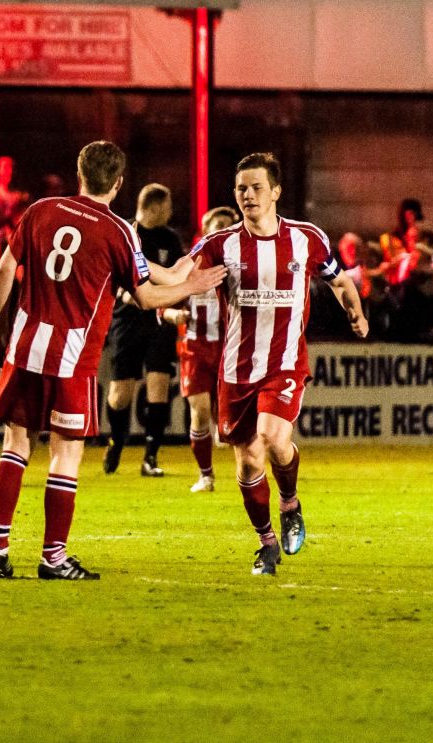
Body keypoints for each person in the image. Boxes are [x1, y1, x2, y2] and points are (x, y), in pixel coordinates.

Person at [0, 142, 225, 580]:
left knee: (15, 445)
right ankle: (52, 557)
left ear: (79, 173)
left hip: (24, 346)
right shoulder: (117, 231)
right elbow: (148, 294)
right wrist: (194, 285)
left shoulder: (41, 210)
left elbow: (4, 272)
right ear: (117, 183)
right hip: (72, 357)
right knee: (65, 454)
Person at [182, 153, 367, 576]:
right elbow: (181, 274)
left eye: (256, 187)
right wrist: (141, 271)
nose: (248, 195)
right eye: (241, 189)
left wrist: (355, 312)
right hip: (235, 371)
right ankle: (266, 543)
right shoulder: (220, 244)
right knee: (248, 461)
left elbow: (338, 279)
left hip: (284, 362)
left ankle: (290, 501)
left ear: (276, 192)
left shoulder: (306, 238)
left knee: (272, 439)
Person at [101, 183, 185, 477]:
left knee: (158, 384)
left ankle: (151, 456)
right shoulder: (127, 235)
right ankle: (117, 440)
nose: (171, 211)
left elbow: (177, 279)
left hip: (159, 323)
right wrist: (129, 295)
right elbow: (114, 279)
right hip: (127, 322)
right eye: (167, 206)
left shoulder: (171, 240)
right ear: (153, 207)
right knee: (120, 394)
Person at [167, 205, 239, 493]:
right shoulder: (189, 265)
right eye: (216, 224)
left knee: (231, 419)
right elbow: (165, 300)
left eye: (227, 224)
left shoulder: (239, 266)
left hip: (230, 349)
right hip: (195, 348)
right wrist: (173, 315)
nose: (221, 228)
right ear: (205, 230)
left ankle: (247, 472)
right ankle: (206, 476)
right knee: (199, 411)